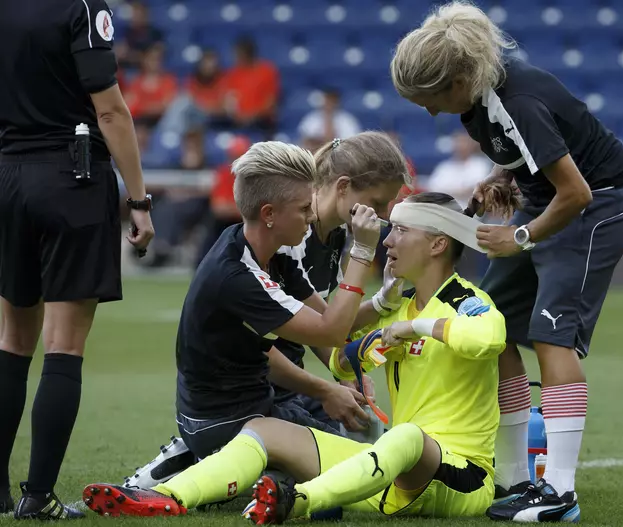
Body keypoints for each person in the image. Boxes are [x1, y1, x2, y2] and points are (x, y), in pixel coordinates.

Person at [80, 192, 508, 525]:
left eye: (401, 231)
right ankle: (167, 498)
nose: (388, 240)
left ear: (436, 244)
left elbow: (489, 339)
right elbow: (343, 364)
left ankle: (299, 501)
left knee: (407, 436)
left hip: (461, 479)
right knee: (266, 429)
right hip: (396, 474)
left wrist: (412, 329)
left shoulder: (464, 299)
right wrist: (382, 311)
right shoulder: (401, 305)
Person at [390, 1, 623, 522]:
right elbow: (528, 158)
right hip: (545, 202)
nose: (430, 111)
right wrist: (503, 179)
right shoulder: (476, 98)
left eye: (431, 99)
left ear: (459, 78)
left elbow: (578, 192)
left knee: (552, 335)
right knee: (493, 323)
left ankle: (560, 492)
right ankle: (512, 476)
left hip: (595, 208)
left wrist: (519, 235)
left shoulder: (517, 98)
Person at [124, 132, 411, 492]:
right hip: (231, 413)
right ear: (270, 214)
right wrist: (363, 254)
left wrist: (345, 371)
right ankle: (197, 467)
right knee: (352, 472)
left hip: (257, 397)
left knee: (355, 448)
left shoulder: (276, 246)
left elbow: (329, 320)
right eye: (304, 209)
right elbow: (329, 330)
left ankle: (248, 467)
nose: (311, 217)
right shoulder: (240, 275)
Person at [0, 0, 154, 520]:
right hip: (71, 175)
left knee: (11, 343)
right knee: (63, 346)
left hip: (8, 176)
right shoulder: (82, 5)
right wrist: (139, 200)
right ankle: (38, 497)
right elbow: (109, 109)